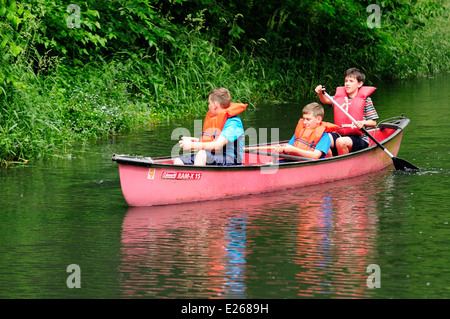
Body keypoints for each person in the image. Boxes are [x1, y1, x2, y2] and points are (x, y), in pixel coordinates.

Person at [173, 87, 247, 166]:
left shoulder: (233, 123)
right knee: (179, 161)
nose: (208, 106)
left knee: (201, 154)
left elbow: (218, 145)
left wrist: (192, 145)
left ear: (214, 105)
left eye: (209, 103)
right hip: (215, 156)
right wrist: (192, 140)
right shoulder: (216, 120)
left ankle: (200, 177)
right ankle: (191, 178)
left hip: (231, 160)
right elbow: (212, 140)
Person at [314, 68, 379, 156]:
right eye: (346, 81)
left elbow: (373, 122)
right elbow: (325, 100)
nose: (347, 84)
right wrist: (320, 93)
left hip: (359, 138)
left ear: (359, 84)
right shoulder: (339, 98)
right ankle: (329, 162)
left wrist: (363, 122)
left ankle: (344, 165)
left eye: (351, 81)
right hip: (340, 134)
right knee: (323, 138)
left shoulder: (366, 100)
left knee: (341, 142)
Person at [275, 102, 339, 159]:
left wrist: (294, 150)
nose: (305, 122)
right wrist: (282, 148)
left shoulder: (324, 136)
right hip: (294, 160)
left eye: (308, 119)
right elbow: (290, 146)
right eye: (304, 119)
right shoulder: (300, 131)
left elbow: (315, 156)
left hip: (309, 163)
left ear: (318, 119)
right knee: (271, 163)